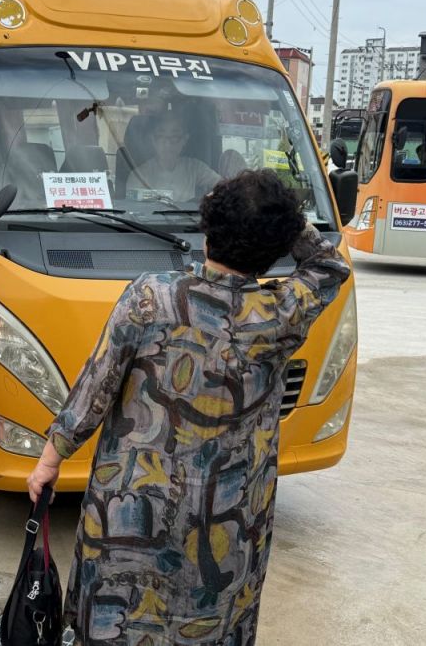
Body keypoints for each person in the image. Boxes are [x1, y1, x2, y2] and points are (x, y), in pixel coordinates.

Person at [27, 169, 351, 645]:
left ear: (208, 231)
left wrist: (50, 460)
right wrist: (286, 222)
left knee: (120, 616)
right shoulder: (282, 312)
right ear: (274, 247)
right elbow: (329, 265)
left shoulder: (150, 297)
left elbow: (96, 387)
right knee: (213, 622)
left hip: (135, 506)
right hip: (227, 518)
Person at [123, 113, 221, 202]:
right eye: (161, 136)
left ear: (184, 139)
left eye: (175, 137)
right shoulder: (139, 175)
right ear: (153, 139)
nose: (168, 144)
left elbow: (223, 187)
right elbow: (133, 207)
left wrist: (206, 202)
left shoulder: (194, 168)